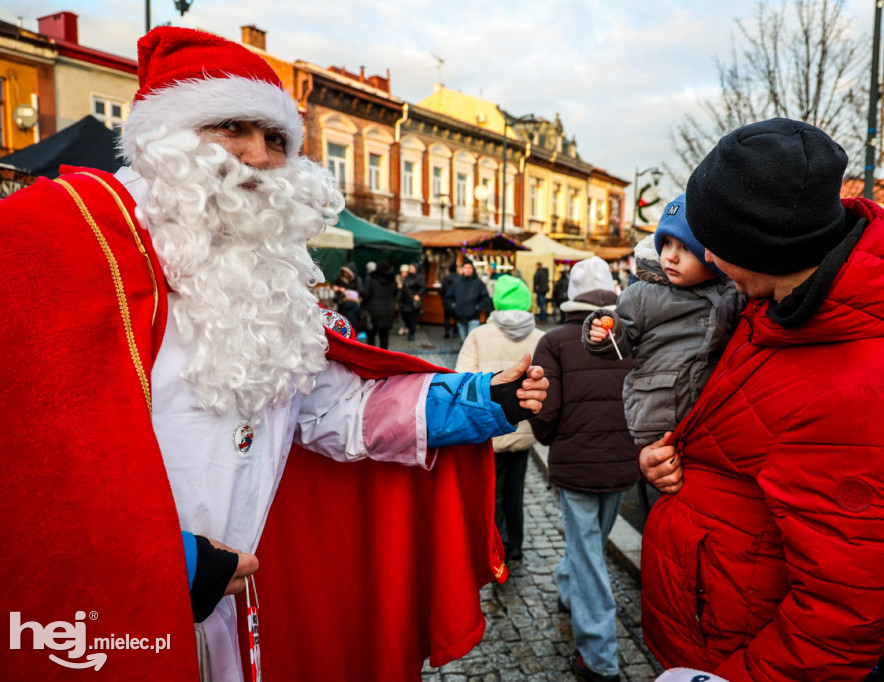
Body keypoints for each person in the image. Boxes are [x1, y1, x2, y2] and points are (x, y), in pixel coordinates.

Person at [0, 27, 550, 682]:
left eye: (279, 140)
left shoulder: (271, 280)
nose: (261, 158)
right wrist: (165, 563)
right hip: (105, 614)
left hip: (232, 618)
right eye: (232, 127)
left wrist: (488, 398)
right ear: (165, 138)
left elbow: (338, 408)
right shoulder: (56, 238)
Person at [638, 118, 884, 681]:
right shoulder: (781, 306)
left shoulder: (863, 388)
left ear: (758, 247)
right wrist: (677, 457)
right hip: (713, 617)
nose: (705, 254)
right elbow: (750, 435)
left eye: (715, 242)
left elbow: (842, 615)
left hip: (743, 654)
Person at [529, 256, 635, 682]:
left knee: (588, 552)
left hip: (576, 463)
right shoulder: (630, 338)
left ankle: (599, 658)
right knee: (589, 544)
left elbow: (545, 410)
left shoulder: (554, 341)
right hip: (623, 461)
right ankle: (568, 590)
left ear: (571, 296)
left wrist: (547, 438)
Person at [584, 195, 744, 447]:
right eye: (666, 243)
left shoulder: (732, 292)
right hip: (657, 415)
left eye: (686, 248)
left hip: (711, 417)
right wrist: (607, 333)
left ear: (712, 253)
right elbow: (622, 339)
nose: (671, 256)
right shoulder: (643, 294)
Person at [456, 275, 546, 563]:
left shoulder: (478, 335)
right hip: (523, 429)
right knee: (515, 491)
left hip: (489, 428)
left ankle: (495, 547)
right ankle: (515, 545)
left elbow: (462, 380)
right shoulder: (540, 338)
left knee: (491, 492)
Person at [446, 261, 492, 342]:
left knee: (471, 341)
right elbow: (449, 296)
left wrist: (477, 307)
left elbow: (485, 298)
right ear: (462, 269)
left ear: (472, 269)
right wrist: (454, 306)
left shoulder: (478, 283)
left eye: (469, 268)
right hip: (460, 317)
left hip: (473, 317)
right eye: (465, 268)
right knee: (464, 341)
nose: (467, 270)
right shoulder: (457, 282)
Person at [363, 261, 398, 348]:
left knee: (371, 336)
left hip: (373, 310)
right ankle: (384, 357)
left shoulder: (371, 279)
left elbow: (366, 294)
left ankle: (371, 357)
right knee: (384, 337)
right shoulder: (392, 280)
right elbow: (395, 294)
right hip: (387, 311)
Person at [398, 262, 425, 342]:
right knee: (404, 316)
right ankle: (409, 329)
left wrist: (418, 295)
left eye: (412, 268)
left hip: (413, 301)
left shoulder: (419, 277)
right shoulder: (407, 277)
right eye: (410, 268)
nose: (410, 269)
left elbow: (423, 287)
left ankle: (411, 334)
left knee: (412, 318)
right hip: (405, 300)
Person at [439, 262, 459, 339]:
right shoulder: (459, 278)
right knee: (456, 318)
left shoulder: (445, 278)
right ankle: (455, 332)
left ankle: (447, 331)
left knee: (446, 317)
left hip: (447, 300)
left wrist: (444, 298)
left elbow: (442, 290)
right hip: (456, 300)